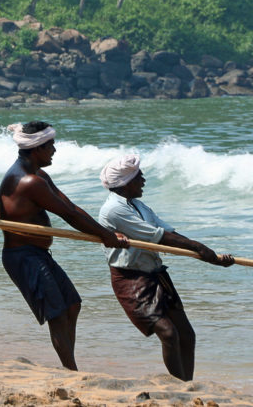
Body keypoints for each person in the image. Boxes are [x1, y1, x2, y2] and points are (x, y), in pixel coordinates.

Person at [0, 121, 129, 371]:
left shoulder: (39, 175)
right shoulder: (29, 181)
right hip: (23, 256)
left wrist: (106, 233)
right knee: (57, 314)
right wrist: (105, 236)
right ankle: (72, 372)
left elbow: (71, 207)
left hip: (37, 253)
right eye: (50, 146)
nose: (54, 150)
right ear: (37, 149)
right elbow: (68, 215)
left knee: (72, 305)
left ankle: (69, 367)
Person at [97, 154, 233, 381]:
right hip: (131, 279)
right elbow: (156, 236)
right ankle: (178, 386)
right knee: (168, 333)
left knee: (187, 335)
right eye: (139, 177)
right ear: (126, 182)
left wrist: (210, 257)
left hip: (155, 275)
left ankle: (187, 384)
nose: (143, 180)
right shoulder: (113, 210)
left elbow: (169, 233)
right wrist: (199, 247)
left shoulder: (139, 206)